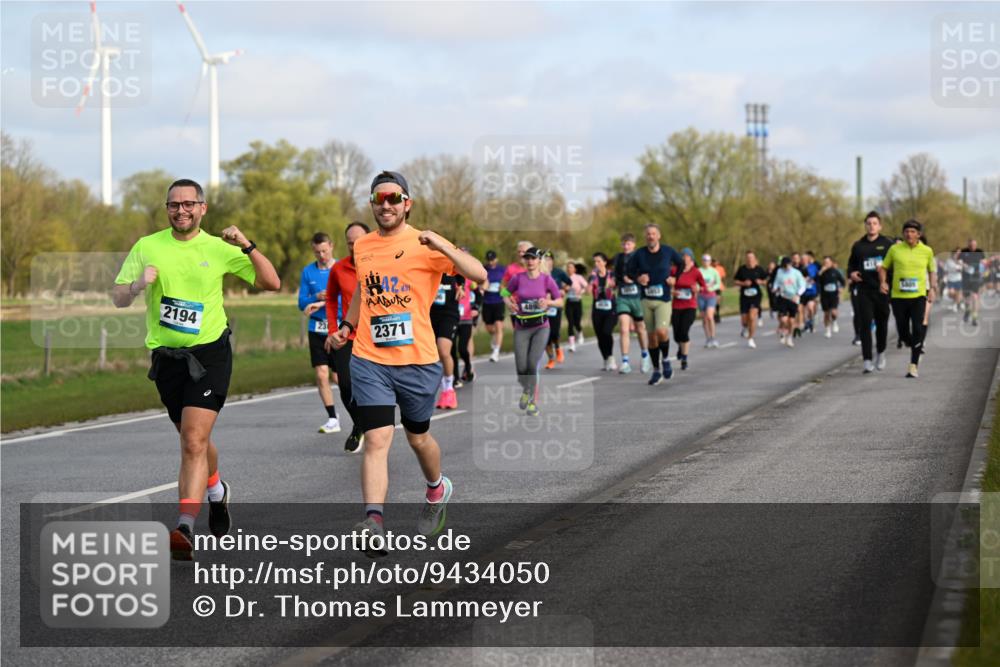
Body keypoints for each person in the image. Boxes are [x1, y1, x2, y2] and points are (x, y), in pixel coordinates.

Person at [113, 178, 280, 560]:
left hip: (209, 355)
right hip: (168, 359)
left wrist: (247, 245)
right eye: (174, 204)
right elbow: (119, 297)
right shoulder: (148, 246)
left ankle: (184, 527)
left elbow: (272, 282)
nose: (181, 210)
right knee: (196, 440)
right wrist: (138, 284)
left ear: (202, 208)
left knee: (192, 441)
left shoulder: (219, 248)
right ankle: (217, 490)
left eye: (189, 204)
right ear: (166, 208)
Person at [328, 171, 487, 557]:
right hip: (370, 358)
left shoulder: (425, 244)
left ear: (407, 203)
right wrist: (347, 327)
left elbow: (479, 274)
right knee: (377, 439)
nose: (386, 205)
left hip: (418, 360)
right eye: (379, 199)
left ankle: (437, 487)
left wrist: (443, 245)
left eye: (393, 198)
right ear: (372, 204)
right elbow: (364, 293)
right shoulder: (363, 246)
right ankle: (373, 521)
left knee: (417, 438)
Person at [323, 221, 370, 453]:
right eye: (350, 243)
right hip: (347, 335)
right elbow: (331, 300)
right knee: (345, 386)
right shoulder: (339, 269)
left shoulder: (378, 263)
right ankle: (359, 424)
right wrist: (333, 329)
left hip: (375, 337)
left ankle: (373, 424)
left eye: (358, 242)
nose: (354, 247)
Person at [502, 247, 563, 416]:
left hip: (540, 327)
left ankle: (532, 400)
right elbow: (504, 293)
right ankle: (527, 390)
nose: (530, 261)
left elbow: (560, 301)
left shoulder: (546, 280)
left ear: (538, 261)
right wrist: (509, 303)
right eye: (527, 258)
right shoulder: (517, 278)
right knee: (521, 367)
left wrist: (548, 303)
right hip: (521, 327)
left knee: (532, 363)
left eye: (533, 258)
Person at [879, 219, 937, 378]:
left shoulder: (927, 251)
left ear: (919, 234)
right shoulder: (894, 249)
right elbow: (883, 268)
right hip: (898, 297)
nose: (909, 234)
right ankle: (913, 344)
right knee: (903, 332)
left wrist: (932, 288)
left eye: (912, 232)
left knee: (918, 328)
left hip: (918, 296)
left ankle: (913, 365)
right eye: (906, 231)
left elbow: (932, 271)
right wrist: (883, 282)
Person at [631, 223, 684, 386]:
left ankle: (666, 360)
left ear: (658, 236)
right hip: (646, 299)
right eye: (648, 234)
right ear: (645, 236)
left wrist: (675, 278)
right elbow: (629, 271)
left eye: (653, 234)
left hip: (663, 299)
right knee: (651, 338)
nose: (651, 236)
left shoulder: (668, 251)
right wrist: (638, 279)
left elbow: (681, 264)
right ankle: (656, 370)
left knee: (662, 332)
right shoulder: (639, 254)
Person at [299, 232, 341, 434]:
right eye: (317, 252)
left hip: (340, 327)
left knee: (339, 377)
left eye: (324, 250)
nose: (322, 255)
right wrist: (315, 296)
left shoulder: (342, 269)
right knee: (321, 374)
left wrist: (324, 301)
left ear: (332, 246)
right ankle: (332, 417)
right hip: (317, 328)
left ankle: (358, 413)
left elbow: (349, 300)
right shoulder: (308, 272)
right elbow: (301, 303)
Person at [847, 211, 894, 372]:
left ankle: (881, 352)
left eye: (874, 223)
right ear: (865, 225)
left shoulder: (888, 244)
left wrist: (889, 284)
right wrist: (851, 274)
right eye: (868, 223)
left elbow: (894, 266)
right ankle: (867, 359)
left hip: (881, 290)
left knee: (882, 324)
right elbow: (851, 266)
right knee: (865, 324)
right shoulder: (858, 245)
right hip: (864, 290)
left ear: (880, 226)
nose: (871, 226)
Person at [612, 233, 650, 374]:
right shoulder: (619, 258)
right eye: (624, 244)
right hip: (623, 297)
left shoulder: (639, 257)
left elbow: (645, 275)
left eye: (628, 244)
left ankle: (645, 355)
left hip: (637, 297)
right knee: (623, 328)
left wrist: (635, 279)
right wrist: (616, 281)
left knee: (640, 329)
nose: (626, 246)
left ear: (633, 245)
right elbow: (616, 275)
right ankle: (625, 361)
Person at [669, 248, 708, 373]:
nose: (683, 258)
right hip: (676, 306)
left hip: (690, 306)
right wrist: (672, 291)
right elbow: (667, 284)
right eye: (682, 256)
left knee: (684, 331)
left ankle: (684, 359)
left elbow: (703, 287)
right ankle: (681, 348)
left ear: (691, 258)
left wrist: (697, 289)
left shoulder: (696, 272)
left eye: (685, 256)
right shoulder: (674, 270)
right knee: (676, 335)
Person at [431, 271, 463, 409]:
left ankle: (449, 389)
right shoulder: (425, 263)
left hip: (449, 314)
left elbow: (464, 273)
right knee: (432, 355)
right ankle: (442, 389)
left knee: (443, 351)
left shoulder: (451, 262)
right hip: (428, 314)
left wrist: (461, 286)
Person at [733, 251, 769, 349]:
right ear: (746, 259)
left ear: (754, 258)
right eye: (748, 258)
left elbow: (766, 281)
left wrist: (761, 281)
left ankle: (751, 338)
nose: (750, 260)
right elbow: (735, 281)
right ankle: (745, 327)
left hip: (756, 296)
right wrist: (743, 284)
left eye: (751, 258)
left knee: (752, 317)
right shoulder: (742, 269)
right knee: (744, 320)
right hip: (744, 297)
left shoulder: (759, 269)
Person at [589, 252, 617, 371]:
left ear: (605, 262)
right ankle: (605, 358)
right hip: (597, 309)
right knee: (600, 336)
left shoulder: (612, 275)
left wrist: (612, 285)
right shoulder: (593, 276)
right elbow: (588, 289)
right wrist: (589, 286)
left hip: (611, 309)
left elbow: (617, 286)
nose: (597, 264)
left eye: (599, 261)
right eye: (595, 261)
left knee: (606, 332)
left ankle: (610, 357)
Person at [544, 252, 571, 369]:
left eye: (549, 259)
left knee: (554, 332)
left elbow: (569, 283)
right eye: (545, 259)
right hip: (543, 306)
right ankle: (550, 359)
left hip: (555, 305)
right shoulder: (539, 273)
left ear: (552, 261)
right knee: (545, 336)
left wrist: (564, 290)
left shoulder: (558, 272)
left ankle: (558, 348)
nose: (547, 261)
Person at [772, 256, 806, 347]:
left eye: (787, 265)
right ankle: (783, 331)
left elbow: (803, 285)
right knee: (783, 319)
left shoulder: (796, 273)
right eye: (784, 266)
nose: (786, 268)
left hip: (794, 298)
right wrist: (774, 288)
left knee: (791, 321)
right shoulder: (779, 272)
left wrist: (798, 294)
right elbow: (776, 282)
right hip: (783, 297)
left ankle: (789, 336)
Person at [455, 263, 480, 385]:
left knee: (462, 348)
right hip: (451, 318)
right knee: (451, 349)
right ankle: (455, 377)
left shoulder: (469, 279)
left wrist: (476, 307)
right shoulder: (447, 278)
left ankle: (468, 365)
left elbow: (479, 294)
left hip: (466, 318)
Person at [481, 250, 507, 362]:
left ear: (496, 259)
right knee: (489, 328)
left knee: (498, 325)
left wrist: (504, 291)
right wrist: (481, 288)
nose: (491, 262)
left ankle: (496, 352)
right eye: (489, 260)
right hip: (487, 302)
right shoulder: (483, 269)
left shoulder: (503, 269)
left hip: (499, 301)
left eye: (493, 260)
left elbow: (508, 284)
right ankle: (494, 336)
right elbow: (479, 282)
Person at [818, 256, 846, 338]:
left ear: (831, 263)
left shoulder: (835, 272)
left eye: (827, 262)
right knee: (826, 313)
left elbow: (843, 281)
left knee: (833, 312)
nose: (826, 264)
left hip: (834, 295)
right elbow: (817, 281)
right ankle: (827, 330)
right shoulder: (821, 272)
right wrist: (821, 272)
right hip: (824, 296)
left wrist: (841, 288)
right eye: (825, 262)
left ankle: (834, 321)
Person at [959, 239, 985, 326]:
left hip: (976, 278)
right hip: (965, 278)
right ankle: (967, 310)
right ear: (969, 245)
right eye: (971, 245)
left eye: (975, 245)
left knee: (975, 296)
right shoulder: (963, 251)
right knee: (967, 298)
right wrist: (964, 265)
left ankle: (974, 317)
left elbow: (984, 262)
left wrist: (983, 268)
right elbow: (959, 261)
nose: (973, 247)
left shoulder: (980, 252)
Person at [698, 254, 722, 347]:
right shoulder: (699, 271)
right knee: (704, 319)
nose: (706, 262)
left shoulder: (714, 271)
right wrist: (699, 288)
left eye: (708, 260)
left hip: (711, 296)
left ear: (710, 261)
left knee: (709, 316)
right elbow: (695, 283)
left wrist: (711, 288)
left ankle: (713, 338)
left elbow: (718, 283)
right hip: (701, 296)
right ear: (702, 261)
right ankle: (708, 338)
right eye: (704, 260)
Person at [565, 261, 589, 351]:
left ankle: (580, 332)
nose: (569, 269)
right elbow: (562, 288)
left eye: (571, 267)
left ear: (574, 269)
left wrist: (581, 292)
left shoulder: (578, 277)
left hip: (577, 302)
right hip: (569, 302)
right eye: (568, 267)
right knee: (570, 323)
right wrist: (565, 288)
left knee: (577, 322)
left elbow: (586, 287)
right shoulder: (565, 277)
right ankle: (572, 345)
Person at [799, 251, 820, 333]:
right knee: (801, 309)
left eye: (805, 259)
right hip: (801, 292)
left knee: (810, 307)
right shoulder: (799, 268)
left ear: (808, 259)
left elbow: (815, 276)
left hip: (811, 291)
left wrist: (810, 278)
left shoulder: (813, 267)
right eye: (802, 259)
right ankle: (804, 323)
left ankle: (811, 321)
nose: (803, 260)